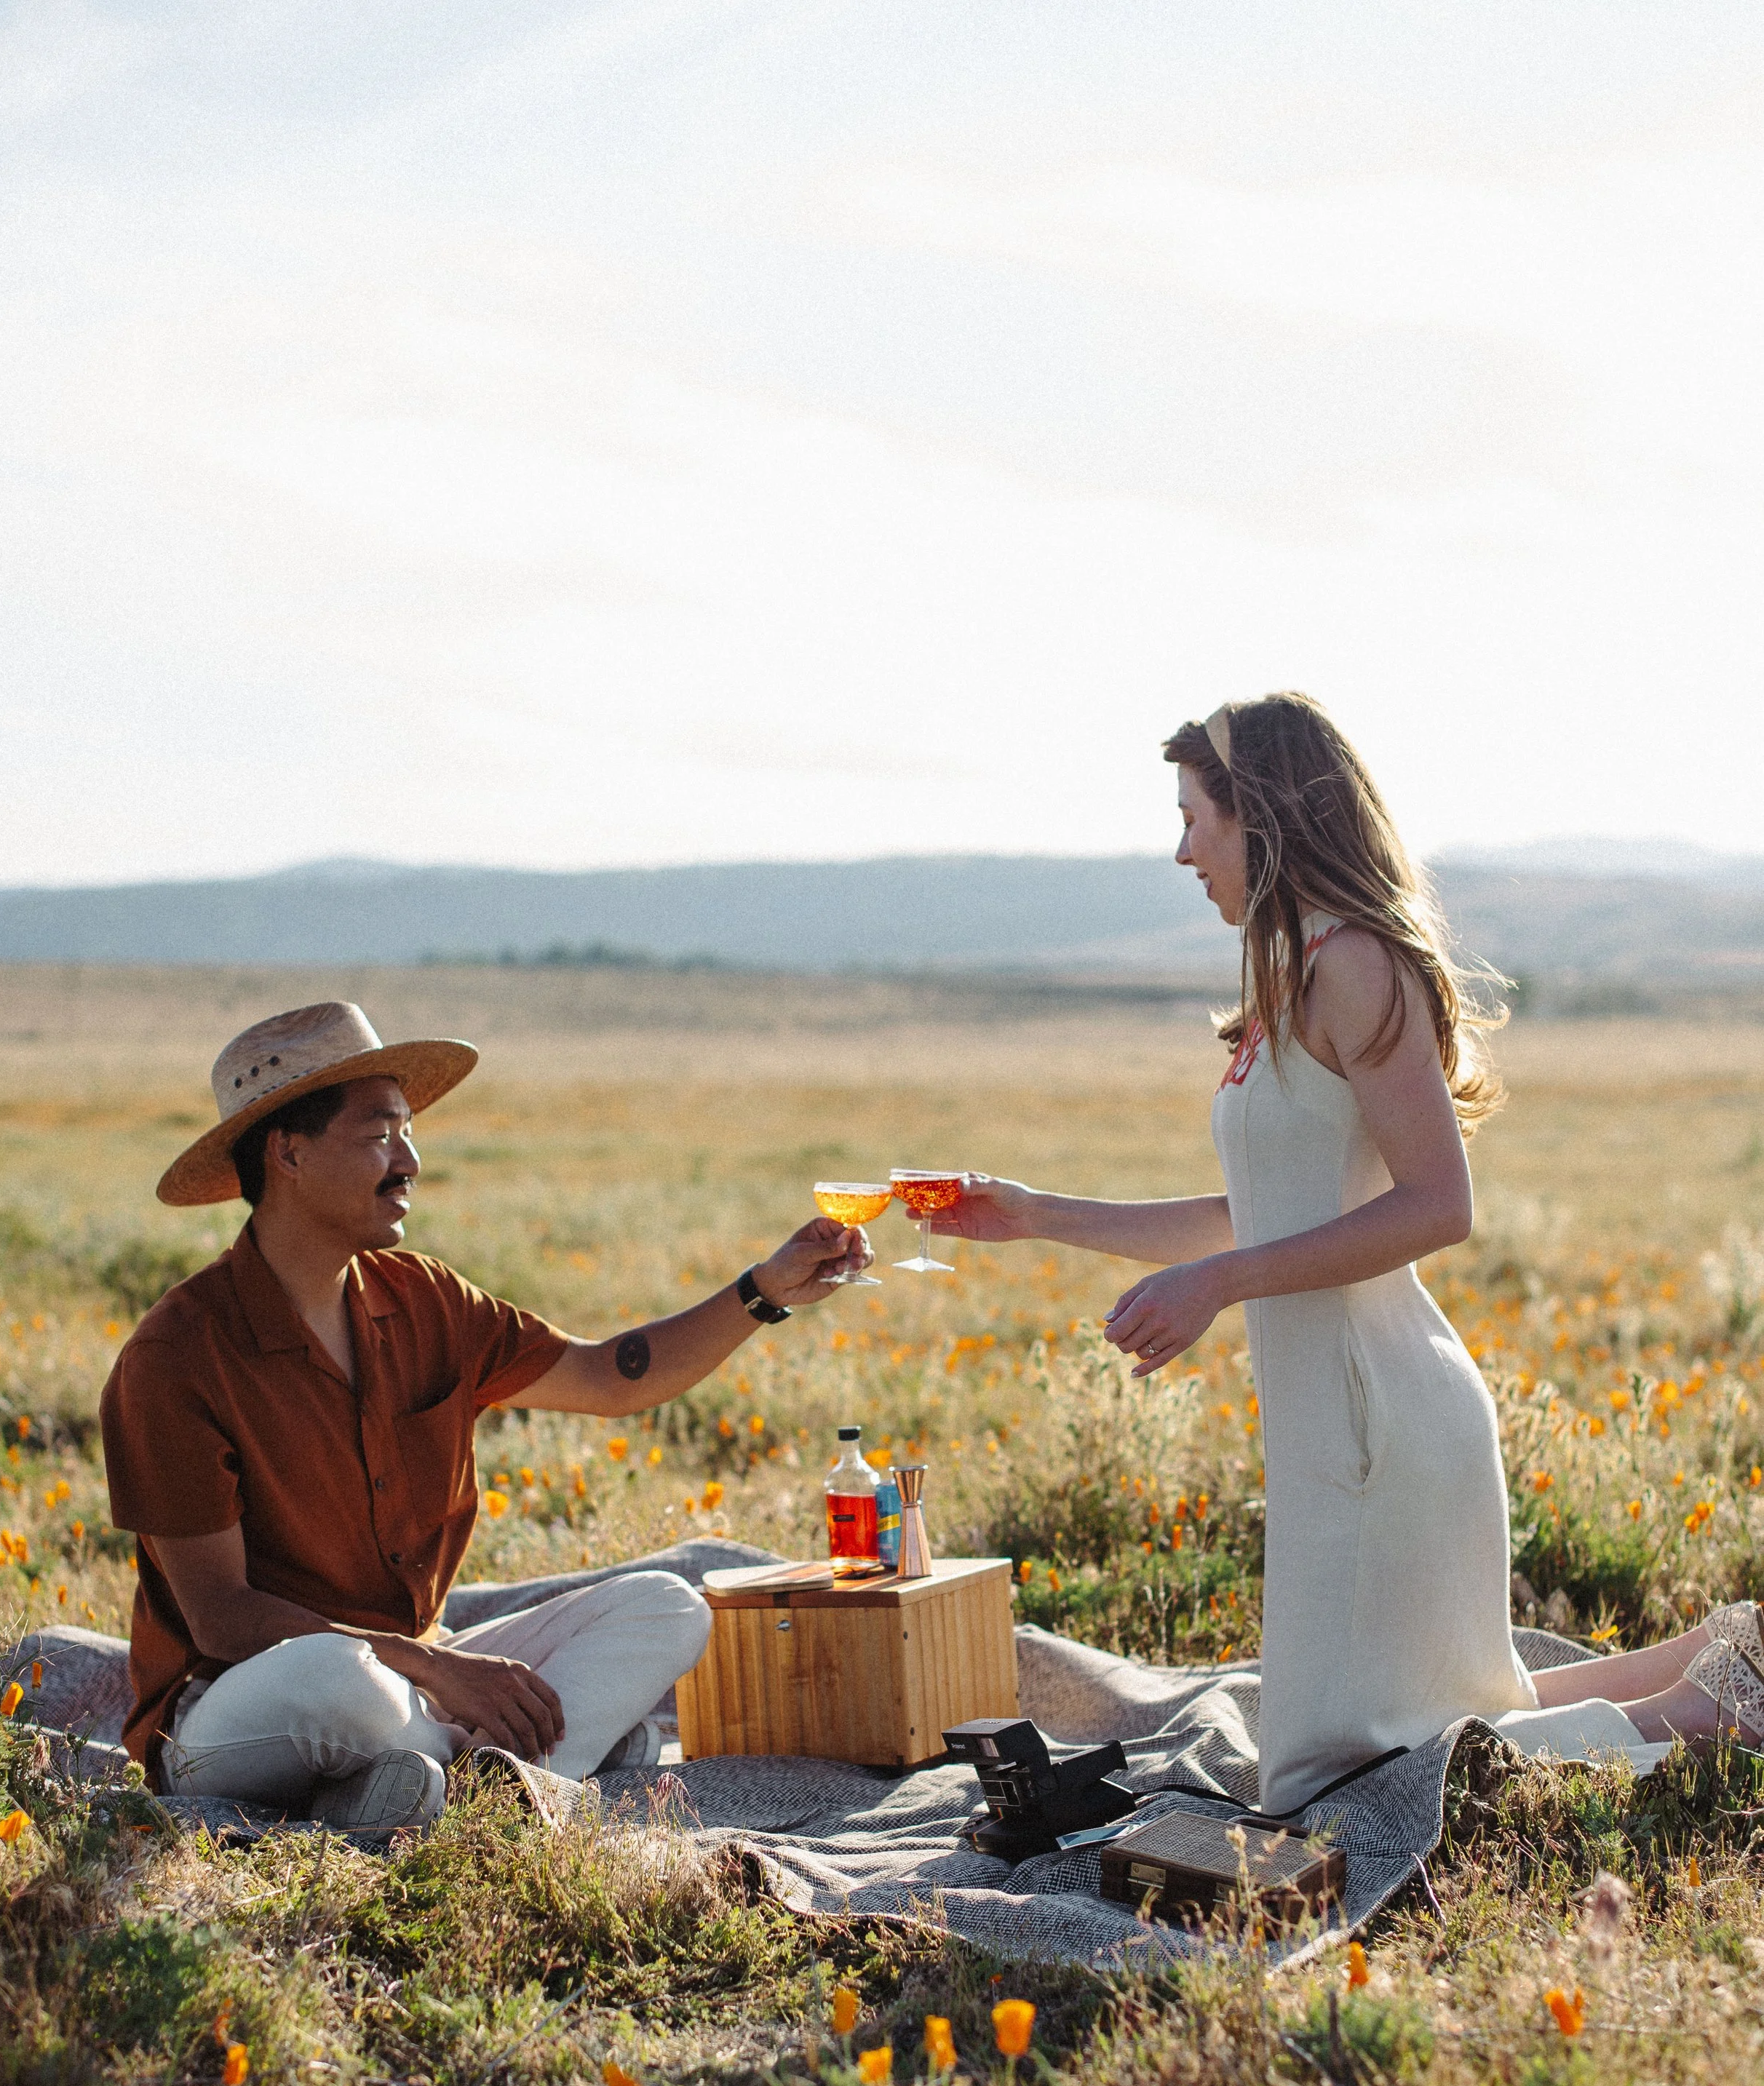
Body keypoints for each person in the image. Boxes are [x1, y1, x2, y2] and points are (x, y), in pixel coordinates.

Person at [936, 693, 1760, 1813]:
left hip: (1384, 1419)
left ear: (1262, 816)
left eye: (1196, 819)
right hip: (1336, 1426)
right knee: (1399, 1740)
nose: (1183, 851)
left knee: (1345, 1775)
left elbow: (1437, 1206)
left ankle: (1707, 1713)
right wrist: (1034, 1213)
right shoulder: (1289, 980)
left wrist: (1219, 1286)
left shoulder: (1355, 964)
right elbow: (1258, 1214)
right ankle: (1720, 1662)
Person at [100, 1000, 866, 1834]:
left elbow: (608, 1376)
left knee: (665, 1605)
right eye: (381, 1134)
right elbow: (224, 1616)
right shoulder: (177, 1357)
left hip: (419, 1679)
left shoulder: (426, 1297)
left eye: (409, 1132)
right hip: (246, 1701)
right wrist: (437, 1667)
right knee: (336, 1681)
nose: (410, 1162)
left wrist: (764, 1290)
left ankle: (421, 1790)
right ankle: (513, 1772)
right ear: (289, 1150)